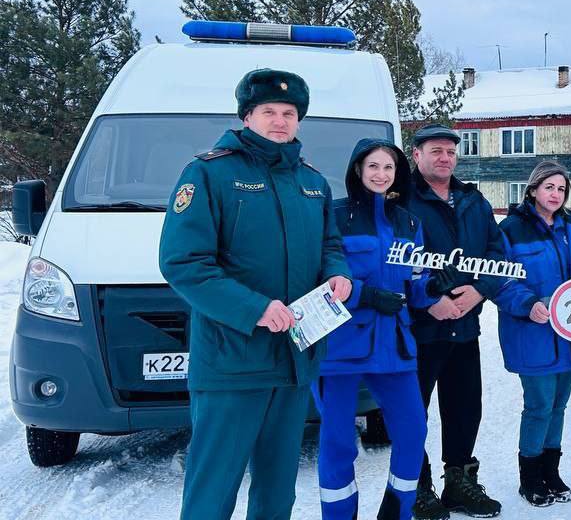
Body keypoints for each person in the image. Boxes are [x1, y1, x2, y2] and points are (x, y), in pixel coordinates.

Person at [159, 68, 352, 520]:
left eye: (289, 113)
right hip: (232, 363)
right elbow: (183, 263)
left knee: (277, 490)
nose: (280, 121)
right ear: (247, 115)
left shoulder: (312, 182)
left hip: (292, 361)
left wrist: (338, 274)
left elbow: (330, 245)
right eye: (269, 111)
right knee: (213, 490)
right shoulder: (209, 173)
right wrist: (256, 308)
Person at [316, 139, 432, 519]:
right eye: (373, 167)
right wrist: (365, 296)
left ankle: (396, 513)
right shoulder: (334, 216)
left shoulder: (410, 223)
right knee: (337, 444)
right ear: (357, 170)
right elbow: (317, 278)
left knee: (413, 432)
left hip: (394, 346)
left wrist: (437, 283)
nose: (381, 175)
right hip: (340, 345)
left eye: (389, 168)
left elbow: (416, 286)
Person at [494, 161, 571, 507]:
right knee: (539, 405)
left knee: (559, 405)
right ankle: (529, 476)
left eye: (561, 189)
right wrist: (527, 303)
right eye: (549, 187)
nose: (556, 194)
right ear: (533, 190)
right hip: (534, 331)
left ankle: (550, 470)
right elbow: (500, 280)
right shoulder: (513, 229)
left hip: (570, 333)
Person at [404, 124, 506, 520]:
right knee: (412, 411)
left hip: (464, 327)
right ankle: (416, 486)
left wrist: (479, 290)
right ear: (416, 154)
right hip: (419, 330)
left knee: (465, 408)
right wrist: (429, 301)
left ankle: (459, 483)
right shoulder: (402, 200)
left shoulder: (472, 201)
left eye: (450, 151)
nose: (444, 158)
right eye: (435, 151)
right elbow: (391, 260)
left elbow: (498, 255)